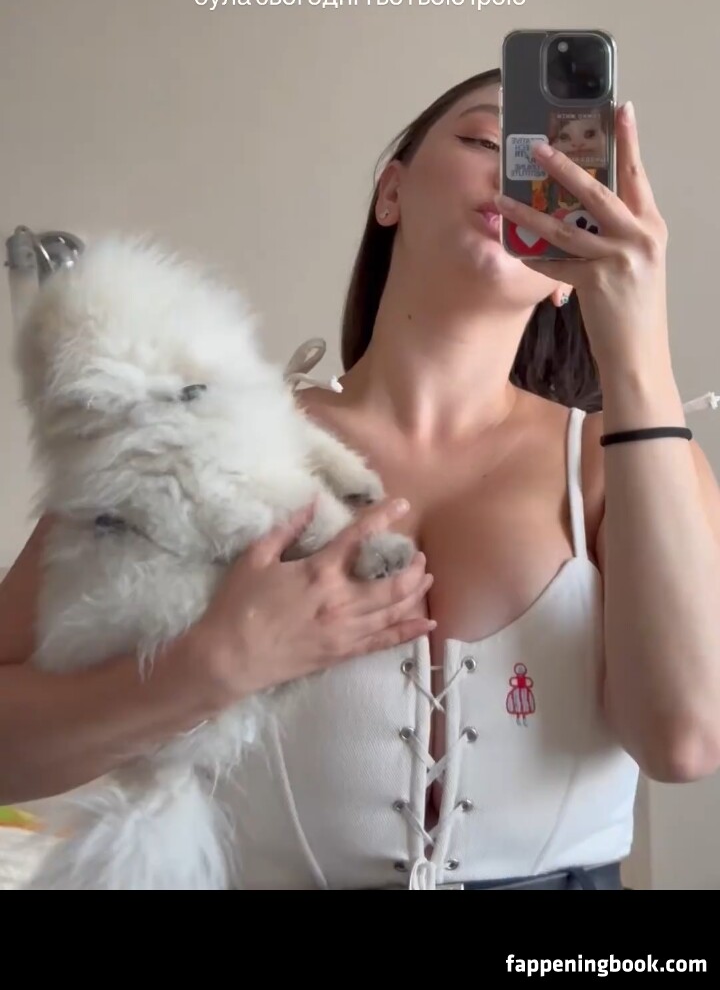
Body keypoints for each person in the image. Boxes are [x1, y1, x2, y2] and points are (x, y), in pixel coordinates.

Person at [1, 68, 719, 891]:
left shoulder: (620, 463)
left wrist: (636, 341)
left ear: (569, 272)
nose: (521, 174)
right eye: (487, 140)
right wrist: (212, 668)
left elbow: (684, 741)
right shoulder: (195, 439)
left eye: (561, 175)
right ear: (391, 194)